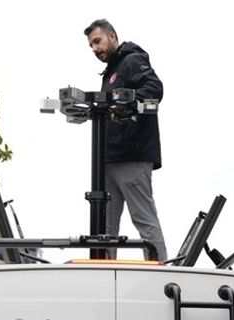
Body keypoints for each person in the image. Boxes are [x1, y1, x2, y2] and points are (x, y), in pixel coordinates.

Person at [84, 18, 168, 260]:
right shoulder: (111, 72)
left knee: (143, 219)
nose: (95, 49)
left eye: (97, 41)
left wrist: (125, 103)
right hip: (109, 160)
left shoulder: (132, 60)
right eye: (91, 45)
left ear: (112, 36)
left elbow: (154, 89)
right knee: (105, 229)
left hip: (132, 155)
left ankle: (160, 275)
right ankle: (105, 279)